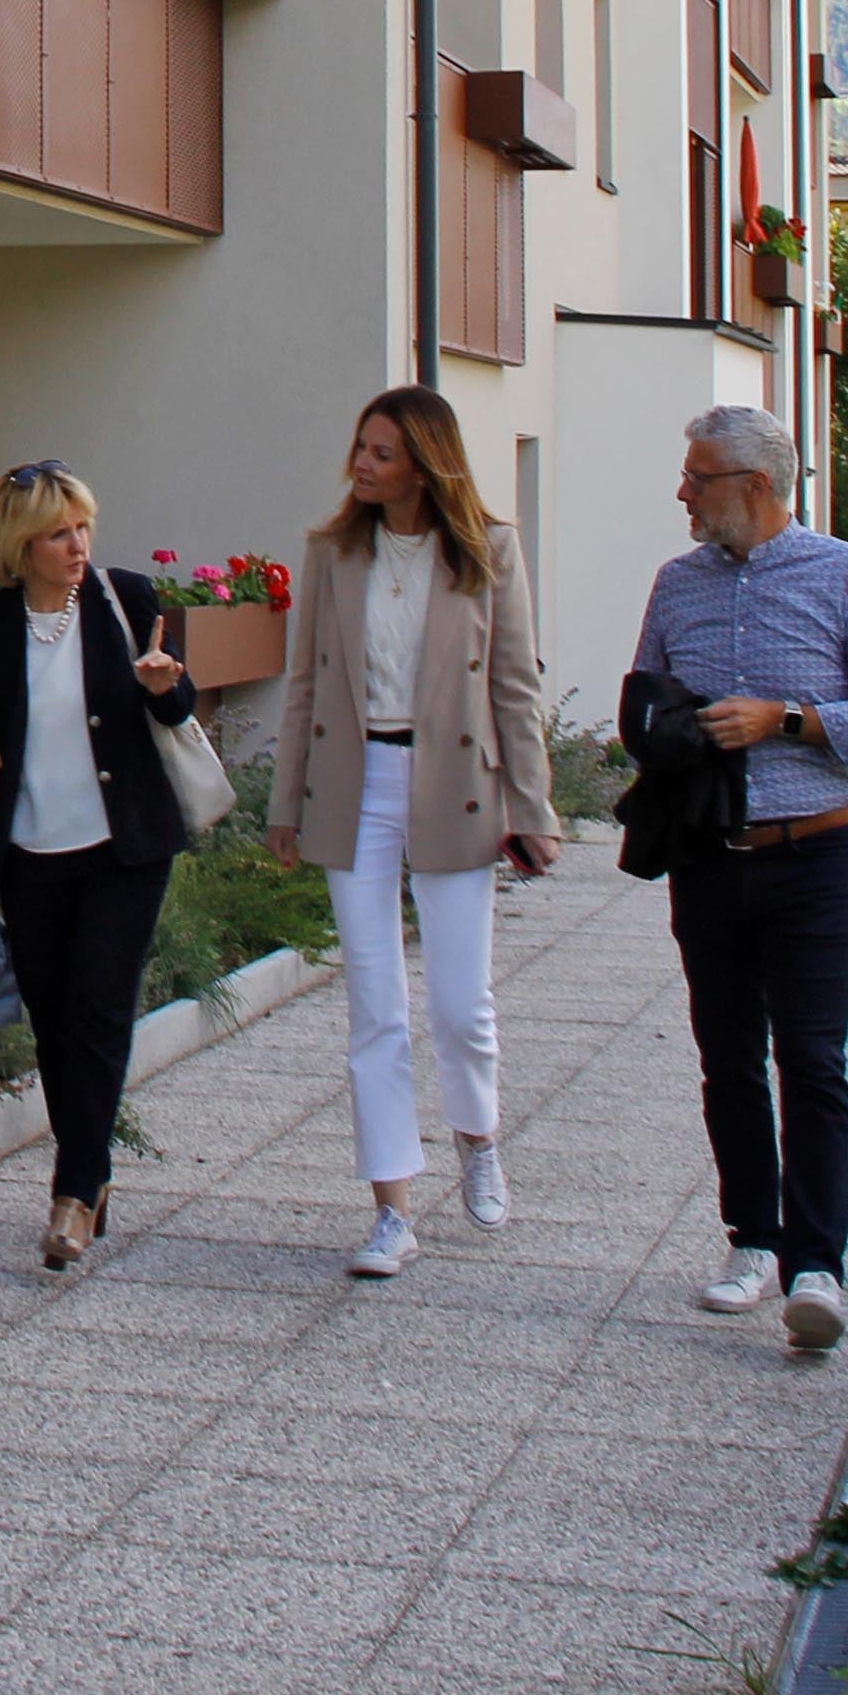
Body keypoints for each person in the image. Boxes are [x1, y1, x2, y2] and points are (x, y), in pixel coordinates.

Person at [635, 404, 848, 1351]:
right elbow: (642, 699)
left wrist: (783, 720)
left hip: (817, 851)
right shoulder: (675, 585)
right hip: (709, 855)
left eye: (697, 476)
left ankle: (817, 1264)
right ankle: (749, 1241)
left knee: (811, 1059)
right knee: (726, 1058)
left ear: (754, 486)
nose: (682, 492)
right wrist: (666, 731)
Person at [260, 388, 557, 1278]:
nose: (362, 463)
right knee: (373, 1007)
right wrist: (286, 804)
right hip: (355, 785)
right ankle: (390, 1208)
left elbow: (514, 689)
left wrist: (533, 811)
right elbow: (305, 682)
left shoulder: (487, 551)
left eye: (381, 452)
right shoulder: (332, 551)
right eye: (360, 447)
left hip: (456, 786)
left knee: (460, 1006)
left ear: (425, 462)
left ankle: (477, 1136)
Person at [0, 461, 199, 1269]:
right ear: (19, 544)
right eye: (57, 532)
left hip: (124, 850)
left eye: (81, 524)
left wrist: (162, 688)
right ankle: (93, 1177)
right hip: (31, 856)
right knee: (53, 1024)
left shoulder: (127, 599)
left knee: (98, 1009)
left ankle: (72, 1192)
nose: (77, 543)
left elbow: (178, 708)